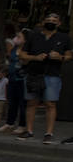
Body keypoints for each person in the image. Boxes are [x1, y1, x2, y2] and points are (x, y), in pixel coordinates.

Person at [17, 13, 69, 143]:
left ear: (59, 23)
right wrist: (35, 58)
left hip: (52, 75)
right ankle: (29, 131)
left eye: (54, 20)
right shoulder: (34, 36)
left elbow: (69, 55)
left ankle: (49, 133)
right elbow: (22, 54)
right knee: (31, 102)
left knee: (50, 103)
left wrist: (60, 57)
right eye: (48, 20)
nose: (51, 22)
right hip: (33, 74)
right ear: (43, 22)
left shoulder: (64, 38)